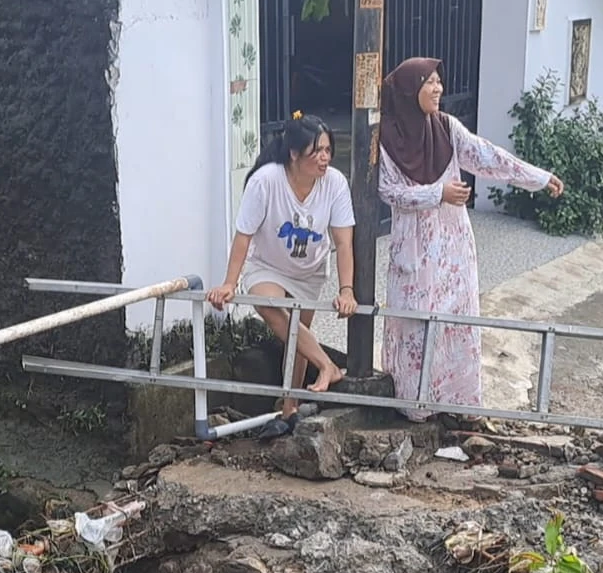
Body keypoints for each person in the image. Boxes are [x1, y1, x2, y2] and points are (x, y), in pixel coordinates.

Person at [377, 57, 563, 420]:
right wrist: (437, 193)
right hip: (413, 248)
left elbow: (489, 156)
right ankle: (416, 407)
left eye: (438, 81)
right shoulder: (386, 137)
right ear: (409, 90)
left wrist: (538, 178)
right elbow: (389, 191)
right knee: (416, 323)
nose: (438, 89)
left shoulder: (447, 128)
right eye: (428, 82)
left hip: (452, 246)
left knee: (456, 319)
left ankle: (457, 403)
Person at [207, 112, 357, 420]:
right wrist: (228, 283)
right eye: (316, 151)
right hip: (266, 265)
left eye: (328, 150)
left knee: (298, 332)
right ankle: (327, 366)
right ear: (294, 153)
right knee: (270, 305)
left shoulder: (335, 184)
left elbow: (343, 242)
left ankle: (290, 407)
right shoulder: (266, 181)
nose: (324, 158)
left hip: (310, 270)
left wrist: (346, 290)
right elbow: (243, 236)